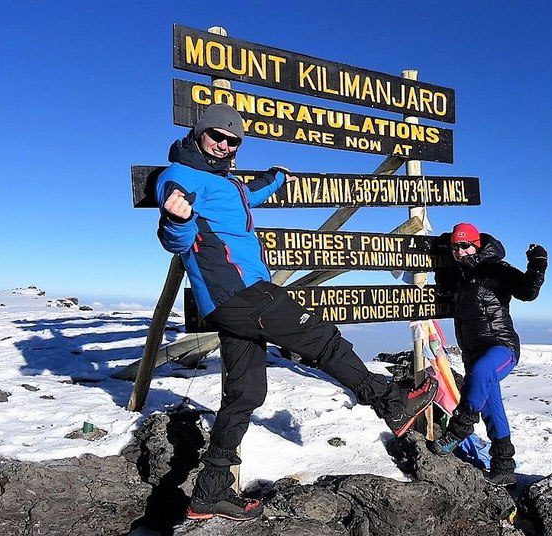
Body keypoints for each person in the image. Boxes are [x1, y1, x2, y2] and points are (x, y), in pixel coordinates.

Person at [154, 103, 438, 521]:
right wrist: (174, 219)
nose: (224, 144)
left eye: (233, 140)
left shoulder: (222, 181)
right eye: (217, 136)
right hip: (241, 293)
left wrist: (276, 178)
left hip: (232, 301)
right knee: (322, 339)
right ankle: (390, 401)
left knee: (246, 393)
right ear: (199, 133)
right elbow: (175, 236)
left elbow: (246, 198)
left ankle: (209, 493)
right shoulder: (180, 177)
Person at [429, 223, 547, 487]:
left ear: (477, 244)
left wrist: (538, 264)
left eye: (465, 245)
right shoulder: (455, 275)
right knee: (493, 410)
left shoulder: (496, 269)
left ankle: (459, 429)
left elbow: (527, 291)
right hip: (472, 353)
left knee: (483, 371)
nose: (459, 252)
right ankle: (504, 467)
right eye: (454, 247)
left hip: (501, 347)